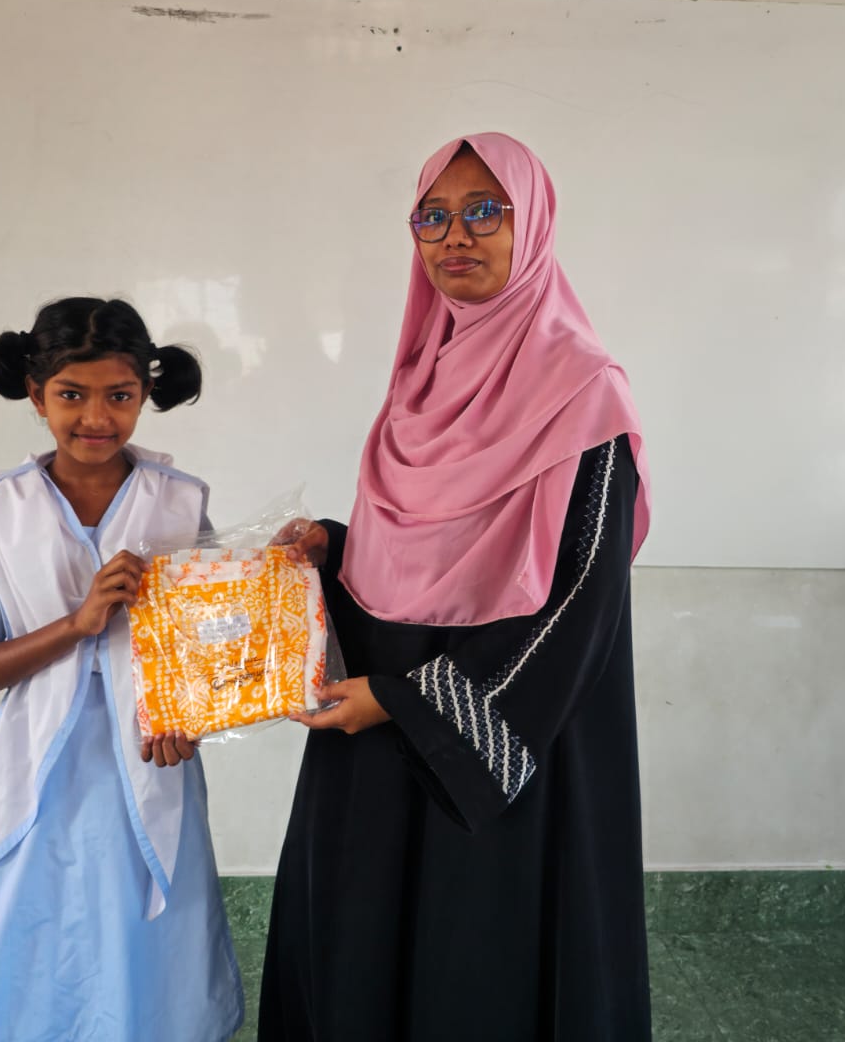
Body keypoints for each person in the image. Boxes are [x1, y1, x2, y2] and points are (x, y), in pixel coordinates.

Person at [259, 133, 655, 1041]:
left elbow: (584, 596)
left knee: (480, 966)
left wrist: (409, 704)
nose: (455, 236)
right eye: (431, 217)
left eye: (484, 211)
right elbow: (425, 560)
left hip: (506, 741)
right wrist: (334, 548)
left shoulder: (586, 394)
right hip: (375, 728)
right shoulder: (418, 381)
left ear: (533, 224)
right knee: (363, 946)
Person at [0, 297, 243, 1042]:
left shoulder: (179, 501)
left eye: (119, 396)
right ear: (36, 396)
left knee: (146, 941)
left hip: (152, 758)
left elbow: (209, 647)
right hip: (40, 772)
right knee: (31, 939)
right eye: (72, 395)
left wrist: (192, 717)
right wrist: (78, 623)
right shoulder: (0, 510)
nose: (96, 417)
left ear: (145, 394)